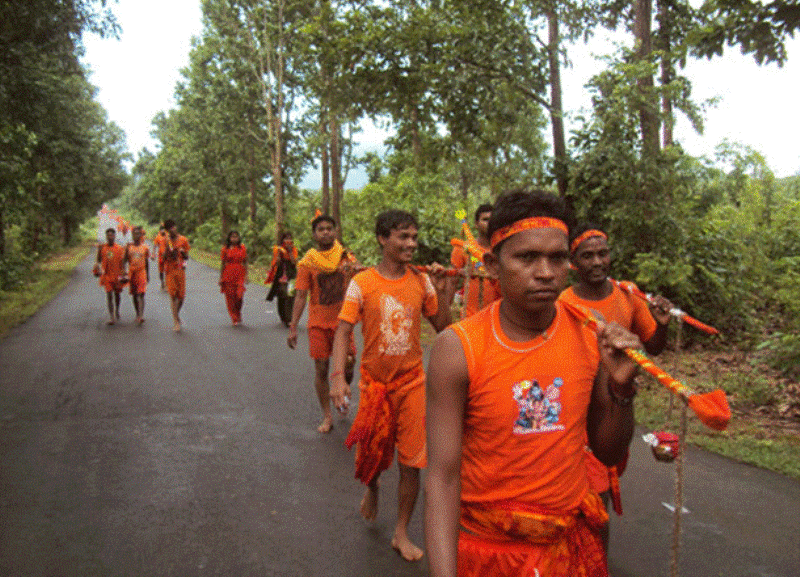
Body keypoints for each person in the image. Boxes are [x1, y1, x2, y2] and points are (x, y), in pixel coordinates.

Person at [424, 189, 642, 577]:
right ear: (492, 265)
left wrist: (620, 390)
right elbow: (442, 476)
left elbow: (607, 452)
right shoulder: (457, 349)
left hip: (567, 551)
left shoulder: (590, 334)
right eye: (527, 257)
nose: (545, 272)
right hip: (489, 554)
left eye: (557, 258)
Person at [330, 209, 451, 562]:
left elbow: (443, 326)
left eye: (414, 237)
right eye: (403, 237)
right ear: (384, 239)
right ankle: (372, 487)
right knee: (372, 454)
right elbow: (342, 331)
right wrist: (338, 377)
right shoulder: (362, 283)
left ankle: (400, 531)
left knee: (412, 462)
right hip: (373, 387)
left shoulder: (421, 281)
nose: (411, 244)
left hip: (412, 383)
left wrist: (445, 291)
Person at [558, 223, 674, 553]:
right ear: (573, 263)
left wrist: (661, 326)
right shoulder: (563, 302)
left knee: (601, 491)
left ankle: (594, 561)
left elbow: (651, 349)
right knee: (572, 491)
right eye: (587, 256)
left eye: (603, 253)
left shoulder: (628, 295)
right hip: (576, 407)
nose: (597, 262)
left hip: (617, 406)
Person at [287, 215, 359, 433]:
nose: (326, 232)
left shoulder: (346, 258)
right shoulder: (307, 263)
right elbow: (301, 296)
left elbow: (360, 285)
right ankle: (327, 415)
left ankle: (343, 391)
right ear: (314, 235)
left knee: (348, 364)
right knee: (321, 368)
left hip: (343, 323)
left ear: (335, 232)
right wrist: (293, 326)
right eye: (321, 229)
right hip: (318, 323)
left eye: (329, 228)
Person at [449, 203, 501, 318]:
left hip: (498, 318)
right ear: (476, 224)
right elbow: (451, 281)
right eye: (485, 219)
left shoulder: (503, 251)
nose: (490, 223)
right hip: (470, 316)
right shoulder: (462, 248)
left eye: (493, 220)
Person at [161, 219, 190, 332]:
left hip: (180, 269)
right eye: (170, 229)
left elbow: (187, 256)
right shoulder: (165, 241)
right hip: (170, 270)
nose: (172, 230)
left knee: (181, 297)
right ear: (168, 231)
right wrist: (168, 250)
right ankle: (175, 321)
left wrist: (183, 253)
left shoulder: (183, 239)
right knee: (173, 295)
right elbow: (163, 258)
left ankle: (176, 315)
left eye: (173, 227)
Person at [95, 227, 127, 325]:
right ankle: (112, 316)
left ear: (114, 236)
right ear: (106, 236)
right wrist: (97, 268)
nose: (110, 237)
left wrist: (124, 273)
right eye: (108, 235)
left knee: (117, 295)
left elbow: (123, 262)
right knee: (109, 295)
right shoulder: (102, 248)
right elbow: (98, 260)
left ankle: (117, 309)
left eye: (111, 235)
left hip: (117, 275)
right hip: (107, 275)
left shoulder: (119, 248)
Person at [265, 232, 299, 326]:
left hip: (291, 274)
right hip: (281, 274)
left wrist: (290, 251)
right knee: (282, 296)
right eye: (286, 238)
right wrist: (280, 254)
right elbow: (276, 263)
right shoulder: (278, 249)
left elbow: (294, 262)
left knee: (291, 295)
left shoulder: (294, 249)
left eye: (290, 238)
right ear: (282, 240)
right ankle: (283, 317)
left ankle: (289, 319)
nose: (288, 240)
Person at [219, 230, 248, 326]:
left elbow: (245, 261)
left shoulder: (242, 248)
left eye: (236, 237)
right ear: (229, 238)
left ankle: (238, 312)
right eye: (232, 237)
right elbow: (223, 263)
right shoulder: (225, 249)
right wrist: (221, 277)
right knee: (230, 297)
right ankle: (234, 317)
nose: (234, 239)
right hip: (228, 273)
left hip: (239, 273)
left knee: (239, 296)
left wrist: (247, 275)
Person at [125, 226, 150, 324]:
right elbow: (124, 260)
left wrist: (147, 274)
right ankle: (137, 313)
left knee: (141, 294)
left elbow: (146, 261)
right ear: (132, 235)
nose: (136, 235)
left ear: (141, 235)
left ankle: (141, 315)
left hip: (141, 272)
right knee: (135, 295)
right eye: (134, 233)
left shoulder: (145, 247)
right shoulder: (129, 247)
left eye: (138, 233)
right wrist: (123, 272)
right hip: (132, 273)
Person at [151, 225, 168, 290]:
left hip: (167, 256)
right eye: (161, 230)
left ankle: (167, 284)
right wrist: (153, 254)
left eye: (164, 229)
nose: (163, 231)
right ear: (160, 231)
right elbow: (155, 245)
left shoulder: (168, 236)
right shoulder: (158, 237)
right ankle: (162, 282)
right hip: (160, 256)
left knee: (167, 270)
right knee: (161, 271)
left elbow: (171, 245)